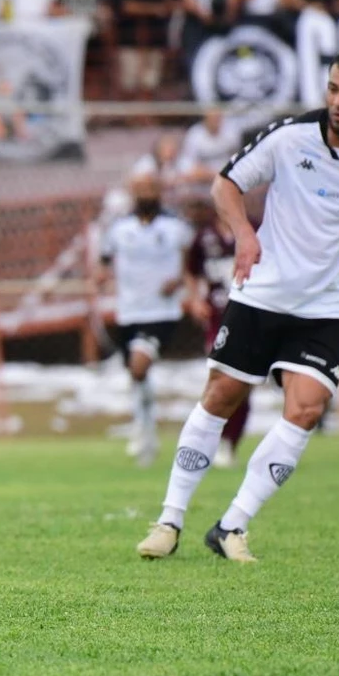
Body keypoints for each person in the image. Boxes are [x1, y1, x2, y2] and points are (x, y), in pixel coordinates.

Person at [136, 50, 339, 563]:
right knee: (222, 395)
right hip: (262, 293)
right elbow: (226, 184)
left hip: (325, 307)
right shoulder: (289, 137)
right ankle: (170, 520)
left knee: (306, 409)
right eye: (333, 88)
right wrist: (244, 234)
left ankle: (231, 526)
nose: (338, 101)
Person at [96, 172, 193, 467]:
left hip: (161, 312)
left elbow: (190, 262)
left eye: (151, 187)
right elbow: (104, 260)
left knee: (139, 366)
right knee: (137, 374)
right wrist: (101, 278)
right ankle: (146, 427)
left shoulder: (175, 227)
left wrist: (179, 280)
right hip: (129, 311)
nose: (146, 193)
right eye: (140, 188)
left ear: (159, 191)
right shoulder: (119, 228)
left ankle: (143, 427)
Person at [183, 194, 249, 468]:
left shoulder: (256, 229)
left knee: (243, 385)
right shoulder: (205, 237)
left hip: (249, 316)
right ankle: (213, 440)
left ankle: (230, 442)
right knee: (220, 380)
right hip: (217, 319)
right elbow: (191, 269)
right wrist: (195, 299)